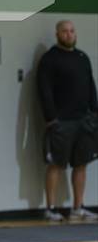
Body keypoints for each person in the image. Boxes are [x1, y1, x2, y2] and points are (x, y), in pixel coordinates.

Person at [37, 20, 98, 222]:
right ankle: (50, 208)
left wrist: (94, 113)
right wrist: (51, 118)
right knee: (56, 163)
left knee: (81, 164)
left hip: (84, 120)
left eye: (72, 31)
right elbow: (44, 90)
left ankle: (77, 208)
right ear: (57, 34)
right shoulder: (49, 59)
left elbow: (91, 86)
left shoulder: (82, 58)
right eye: (65, 31)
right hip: (60, 122)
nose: (69, 35)